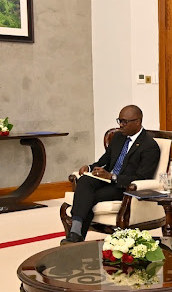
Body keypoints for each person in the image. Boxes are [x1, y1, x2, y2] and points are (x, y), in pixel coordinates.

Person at [61, 105, 161, 244]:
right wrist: (90, 167)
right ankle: (76, 233)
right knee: (84, 181)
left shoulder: (149, 146)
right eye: (119, 120)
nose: (120, 125)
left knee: (88, 197)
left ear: (138, 122)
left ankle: (75, 237)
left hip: (124, 186)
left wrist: (113, 177)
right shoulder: (119, 137)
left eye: (125, 122)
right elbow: (105, 160)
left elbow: (142, 177)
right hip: (107, 179)